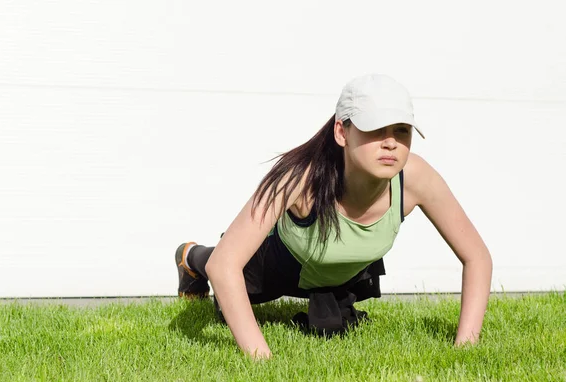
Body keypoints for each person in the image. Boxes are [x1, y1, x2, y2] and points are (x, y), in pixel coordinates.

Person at [174, 74, 493, 359]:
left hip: (341, 274)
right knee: (222, 272)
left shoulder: (416, 178)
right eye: (375, 129)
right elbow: (225, 265)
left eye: (401, 130)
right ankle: (190, 256)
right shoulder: (299, 179)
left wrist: (466, 347)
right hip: (276, 265)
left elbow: (477, 257)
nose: (391, 142)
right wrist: (261, 359)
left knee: (331, 327)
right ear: (342, 132)